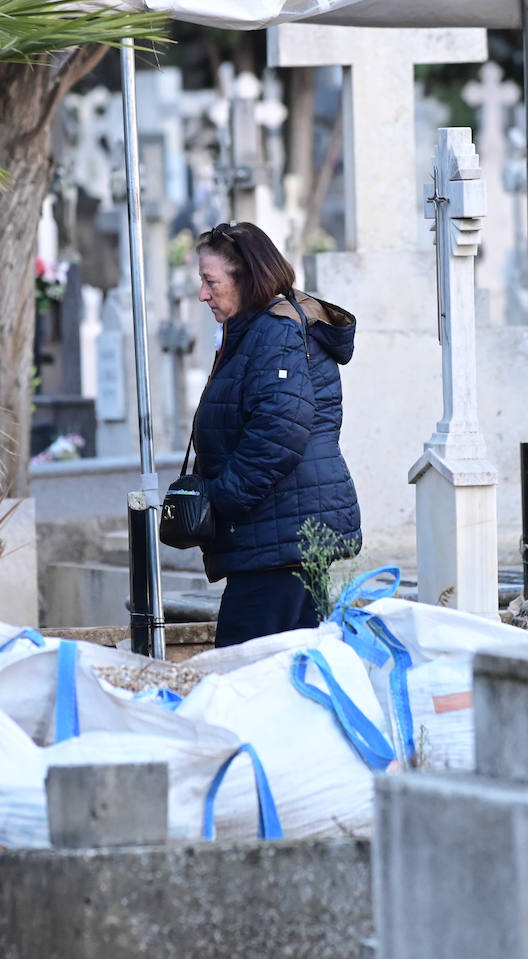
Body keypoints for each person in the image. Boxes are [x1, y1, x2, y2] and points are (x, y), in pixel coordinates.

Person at [191, 222, 361, 647]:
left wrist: (217, 501)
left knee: (247, 684)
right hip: (275, 542)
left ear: (246, 279)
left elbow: (278, 435)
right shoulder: (255, 331)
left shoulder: (275, 332)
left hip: (280, 549)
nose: (203, 295)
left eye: (211, 282)